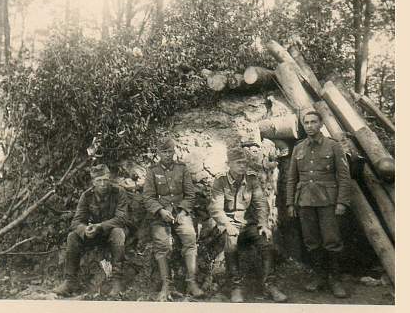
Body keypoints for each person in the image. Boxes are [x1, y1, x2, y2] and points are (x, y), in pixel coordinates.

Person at [208, 145, 288, 303]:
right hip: (229, 224)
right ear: (228, 163)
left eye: (244, 162)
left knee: (266, 242)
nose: (242, 166)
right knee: (231, 243)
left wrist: (263, 225)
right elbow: (215, 208)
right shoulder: (220, 181)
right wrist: (227, 225)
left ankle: (269, 285)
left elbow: (261, 204)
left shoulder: (252, 179)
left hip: (249, 225)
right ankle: (236, 287)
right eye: (238, 162)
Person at [286, 110, 351, 298]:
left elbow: (344, 177)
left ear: (321, 124)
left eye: (313, 122)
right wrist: (290, 203)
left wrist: (342, 202)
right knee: (311, 241)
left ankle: (335, 280)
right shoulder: (298, 148)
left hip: (328, 201)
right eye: (306, 123)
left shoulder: (333, 146)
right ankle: (319, 277)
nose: (309, 126)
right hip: (305, 201)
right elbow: (291, 178)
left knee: (332, 241)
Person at [143, 137, 205, 301]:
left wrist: (183, 210)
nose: (168, 155)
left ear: (174, 151)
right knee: (161, 244)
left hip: (180, 213)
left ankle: (191, 283)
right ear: (158, 153)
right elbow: (148, 197)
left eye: (170, 151)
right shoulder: (152, 171)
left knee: (190, 238)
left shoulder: (182, 169)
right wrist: (161, 211)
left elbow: (190, 195)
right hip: (161, 215)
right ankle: (166, 284)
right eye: (164, 152)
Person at [54, 164, 129, 297]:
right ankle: (70, 281)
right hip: (95, 234)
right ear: (93, 182)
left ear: (110, 179)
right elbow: (76, 221)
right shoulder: (86, 196)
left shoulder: (119, 192)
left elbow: (121, 218)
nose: (102, 184)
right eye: (98, 180)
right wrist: (85, 229)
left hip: (112, 231)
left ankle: (117, 280)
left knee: (119, 233)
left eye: (105, 180)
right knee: (72, 237)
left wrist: (99, 226)